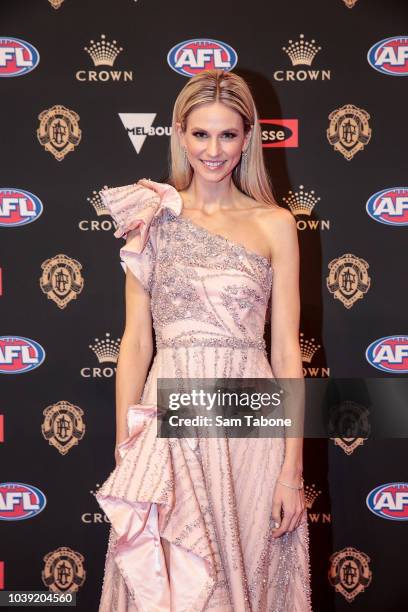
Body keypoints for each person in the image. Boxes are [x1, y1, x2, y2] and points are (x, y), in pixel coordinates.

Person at [95, 69, 312, 611]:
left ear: (248, 138)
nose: (213, 150)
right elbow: (135, 344)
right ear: (179, 134)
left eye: (228, 135)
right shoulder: (152, 216)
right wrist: (126, 447)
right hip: (169, 424)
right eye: (200, 134)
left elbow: (287, 351)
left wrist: (292, 470)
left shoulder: (275, 224)